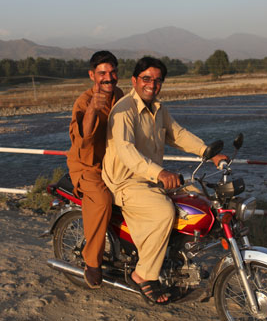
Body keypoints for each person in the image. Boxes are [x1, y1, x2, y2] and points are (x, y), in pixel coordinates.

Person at [102, 56, 227, 304]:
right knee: (164, 212)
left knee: (197, 195)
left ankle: (177, 255)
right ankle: (143, 275)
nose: (152, 84)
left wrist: (207, 153)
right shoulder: (124, 110)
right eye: (146, 79)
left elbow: (177, 134)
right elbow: (126, 150)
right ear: (135, 81)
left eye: (158, 80)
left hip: (149, 179)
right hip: (126, 182)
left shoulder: (158, 108)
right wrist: (159, 173)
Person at [66, 50, 124, 289]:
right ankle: (92, 262)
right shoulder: (83, 100)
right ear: (92, 75)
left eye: (112, 72)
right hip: (87, 166)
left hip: (114, 163)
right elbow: (82, 138)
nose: (108, 78)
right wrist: (92, 109)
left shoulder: (120, 95)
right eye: (102, 73)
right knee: (101, 199)